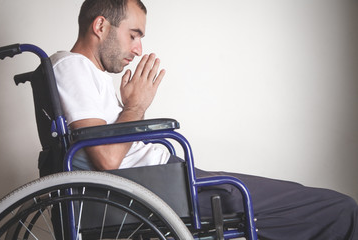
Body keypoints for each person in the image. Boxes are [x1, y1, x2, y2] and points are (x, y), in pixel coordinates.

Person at [50, 0, 358, 239]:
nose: (138, 48)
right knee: (337, 209)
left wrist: (134, 109)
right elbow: (106, 157)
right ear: (101, 25)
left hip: (165, 182)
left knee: (313, 205)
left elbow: (111, 148)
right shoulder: (72, 66)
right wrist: (135, 107)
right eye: (134, 34)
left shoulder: (87, 73)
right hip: (160, 189)